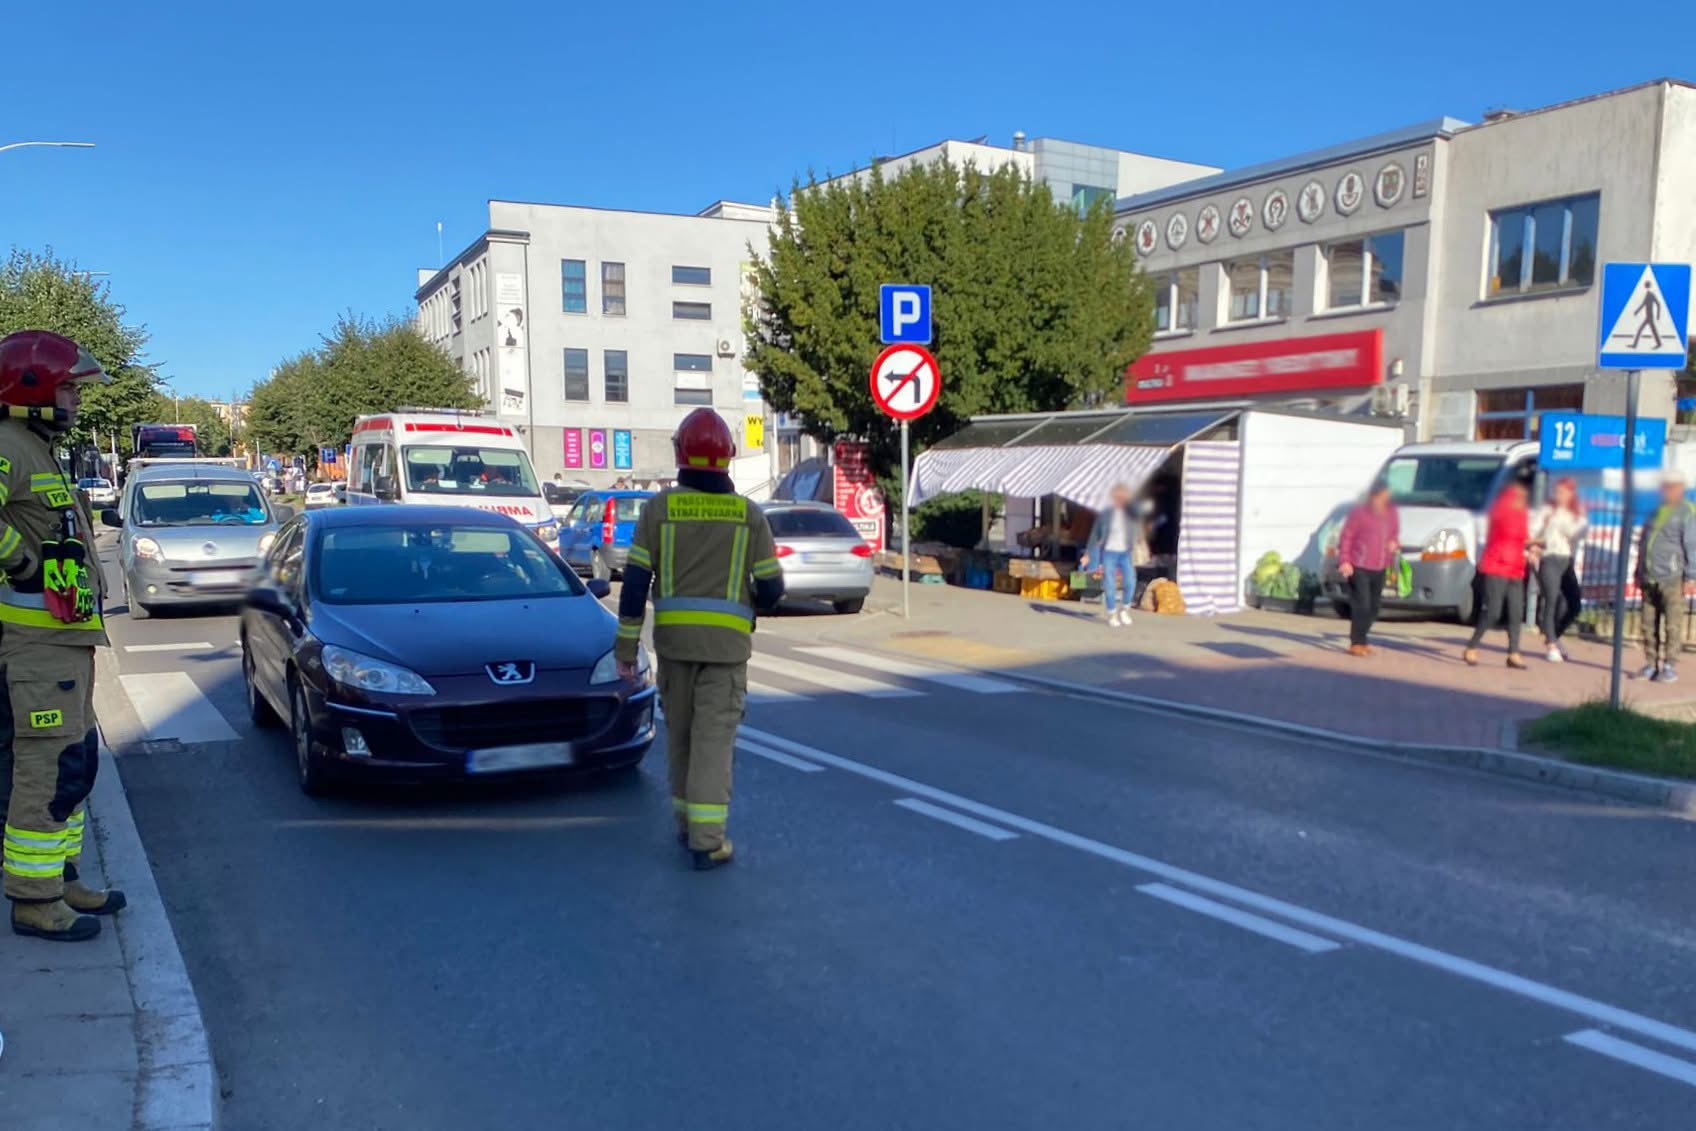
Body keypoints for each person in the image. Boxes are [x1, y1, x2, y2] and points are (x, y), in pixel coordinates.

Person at [614, 409, 784, 871]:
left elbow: (634, 585)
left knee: (682, 739)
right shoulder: (749, 516)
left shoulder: (659, 510)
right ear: (729, 456)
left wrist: (626, 650)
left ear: (680, 453)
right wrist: (747, 603)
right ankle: (707, 842)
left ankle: (686, 825)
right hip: (725, 652)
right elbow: (772, 588)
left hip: (674, 648)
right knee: (713, 742)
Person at [0, 330, 125, 941]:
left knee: (74, 764)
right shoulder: (8, 445)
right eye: (70, 387)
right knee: (45, 769)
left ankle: (62, 875)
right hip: (35, 647)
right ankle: (35, 899)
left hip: (64, 644)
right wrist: (21, 562)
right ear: (34, 387)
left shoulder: (37, 448)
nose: (76, 398)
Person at [1634, 471, 1696, 683]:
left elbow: (1692, 546)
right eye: (1665, 486)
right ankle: (1651, 664)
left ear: (1680, 488)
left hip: (1672, 577)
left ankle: (1669, 665)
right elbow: (1644, 542)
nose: (1667, 490)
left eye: (1672, 486)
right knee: (1647, 624)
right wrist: (1639, 571)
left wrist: (1691, 577)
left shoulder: (1687, 512)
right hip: (1649, 576)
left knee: (1672, 624)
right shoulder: (1656, 511)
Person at [1464, 481, 1531, 670]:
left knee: (1516, 612)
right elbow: (1509, 533)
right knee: (1493, 611)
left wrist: (1531, 546)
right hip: (1497, 566)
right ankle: (1472, 646)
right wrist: (1534, 541)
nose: (1522, 500)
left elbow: (1522, 536)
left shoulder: (1521, 513)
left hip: (1515, 567)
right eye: (1518, 496)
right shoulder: (1501, 510)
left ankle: (1514, 652)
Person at [1336, 482, 1400, 657]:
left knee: (1374, 607)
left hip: (1380, 565)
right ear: (1373, 496)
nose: (1384, 500)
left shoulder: (1392, 512)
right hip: (1359, 565)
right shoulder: (1360, 513)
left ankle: (1362, 639)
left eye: (1386, 496)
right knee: (1362, 605)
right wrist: (1345, 561)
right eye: (1381, 496)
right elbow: (1347, 537)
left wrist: (1394, 543)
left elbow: (1394, 533)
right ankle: (1357, 642)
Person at [1528, 477, 1587, 663]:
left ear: (1571, 493)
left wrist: (1574, 522)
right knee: (1551, 599)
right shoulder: (1548, 510)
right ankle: (1551, 645)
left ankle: (1553, 635)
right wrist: (1534, 546)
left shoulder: (1576, 512)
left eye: (1563, 492)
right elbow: (1531, 531)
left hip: (1566, 560)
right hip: (1549, 557)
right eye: (1557, 492)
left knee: (1573, 604)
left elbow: (1577, 533)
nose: (1559, 495)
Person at [1080, 484, 1140, 627]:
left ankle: (1124, 609)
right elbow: (1095, 535)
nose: (1121, 499)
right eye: (1118, 496)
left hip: (1125, 553)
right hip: (1109, 552)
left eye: (1123, 496)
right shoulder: (1105, 515)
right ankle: (1112, 613)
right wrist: (1088, 554)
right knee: (1110, 584)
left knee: (1130, 581)